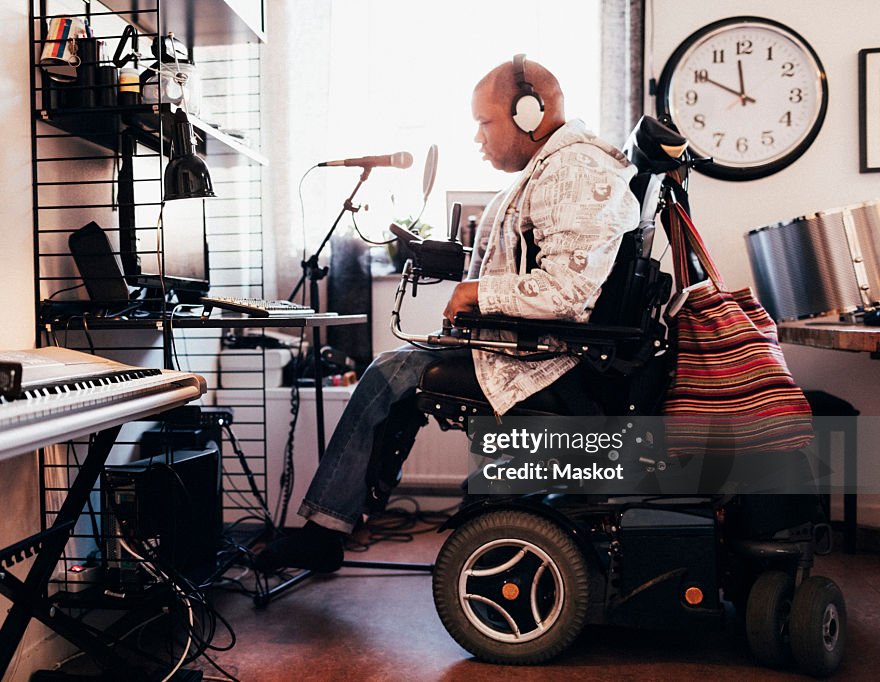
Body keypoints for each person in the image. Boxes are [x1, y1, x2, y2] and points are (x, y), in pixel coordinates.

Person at [255, 56, 640, 573]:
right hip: (537, 348)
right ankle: (335, 522)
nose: (478, 137)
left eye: (484, 123)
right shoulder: (553, 168)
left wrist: (477, 294)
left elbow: (569, 292)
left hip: (553, 363)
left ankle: (327, 528)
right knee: (395, 375)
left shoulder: (575, 170)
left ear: (529, 112)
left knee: (392, 371)